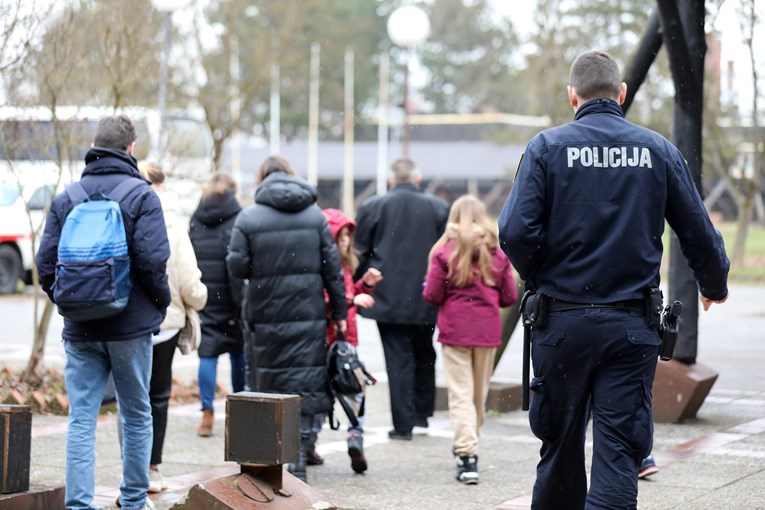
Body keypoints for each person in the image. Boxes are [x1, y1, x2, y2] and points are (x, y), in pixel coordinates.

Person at [498, 50, 730, 510]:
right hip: (630, 327)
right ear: (621, 94)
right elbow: (698, 230)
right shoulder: (658, 150)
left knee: (560, 449)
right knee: (620, 452)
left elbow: (514, 232)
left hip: (560, 324)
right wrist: (713, 283)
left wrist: (544, 274)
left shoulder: (547, 148)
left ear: (572, 97)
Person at [36, 115, 171, 510]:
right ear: (131, 149)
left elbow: (45, 266)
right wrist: (157, 305)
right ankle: (132, 501)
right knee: (135, 413)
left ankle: (79, 504)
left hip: (81, 328)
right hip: (130, 328)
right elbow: (153, 262)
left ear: (95, 146)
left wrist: (72, 303)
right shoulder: (142, 196)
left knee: (82, 419)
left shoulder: (68, 197)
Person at [226, 155, 347, 483]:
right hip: (307, 315)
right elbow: (333, 271)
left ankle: (270, 459)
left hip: (265, 316)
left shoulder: (248, 218)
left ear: (262, 180)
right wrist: (340, 313)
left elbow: (237, 268)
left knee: (269, 382)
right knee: (306, 383)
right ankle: (300, 460)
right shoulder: (315, 218)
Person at [422, 195, 518, 485]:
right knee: (477, 396)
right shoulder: (496, 252)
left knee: (461, 396)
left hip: (455, 330)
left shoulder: (445, 251)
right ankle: (469, 445)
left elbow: (432, 295)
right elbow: (510, 297)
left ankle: (467, 455)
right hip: (487, 331)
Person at [354, 158, 449, 440]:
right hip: (427, 293)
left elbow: (359, 251)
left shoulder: (373, 206)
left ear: (391, 180)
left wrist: (359, 285)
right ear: (417, 179)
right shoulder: (438, 208)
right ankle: (422, 413)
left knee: (397, 359)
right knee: (424, 352)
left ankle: (403, 423)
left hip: (387, 295)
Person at [137, 161, 207, 492]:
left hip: (127, 322)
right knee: (157, 397)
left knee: (131, 396)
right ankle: (151, 468)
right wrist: (200, 299)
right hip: (164, 322)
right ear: (162, 186)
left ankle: (131, 467)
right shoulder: (170, 221)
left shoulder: (121, 209)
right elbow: (189, 280)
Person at [320, 207, 384, 474]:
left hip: (345, 341)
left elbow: (344, 295)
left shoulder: (345, 266)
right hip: (329, 342)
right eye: (340, 236)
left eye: (348, 236)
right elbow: (324, 299)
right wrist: (351, 300)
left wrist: (364, 285)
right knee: (330, 393)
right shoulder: (323, 266)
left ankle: (355, 437)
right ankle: (317, 442)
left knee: (354, 388)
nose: (346, 241)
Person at [188, 172, 246, 438]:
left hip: (206, 296)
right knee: (238, 353)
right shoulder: (238, 218)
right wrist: (241, 302)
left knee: (207, 355)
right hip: (232, 298)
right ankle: (240, 411)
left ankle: (207, 413)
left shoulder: (196, 219)